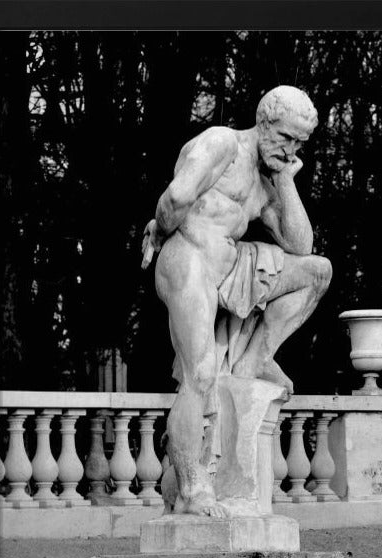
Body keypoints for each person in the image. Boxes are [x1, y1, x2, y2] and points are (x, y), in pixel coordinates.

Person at [141, 85, 332, 516]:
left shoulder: (267, 181)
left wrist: (284, 179)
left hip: (232, 267)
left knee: (317, 273)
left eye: (300, 143)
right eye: (285, 138)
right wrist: (160, 228)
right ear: (263, 123)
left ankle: (254, 360)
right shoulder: (223, 143)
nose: (291, 149)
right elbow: (177, 196)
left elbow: (301, 245)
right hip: (189, 258)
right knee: (202, 373)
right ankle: (192, 488)